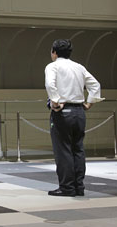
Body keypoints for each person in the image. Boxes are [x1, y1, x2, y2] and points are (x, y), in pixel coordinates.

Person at [44, 39, 104, 197]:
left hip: (63, 112)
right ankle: (79, 187)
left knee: (63, 150)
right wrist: (89, 103)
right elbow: (95, 85)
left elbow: (50, 85)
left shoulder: (52, 66)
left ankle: (67, 188)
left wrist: (55, 102)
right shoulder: (79, 67)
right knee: (78, 150)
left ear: (54, 52)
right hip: (79, 112)